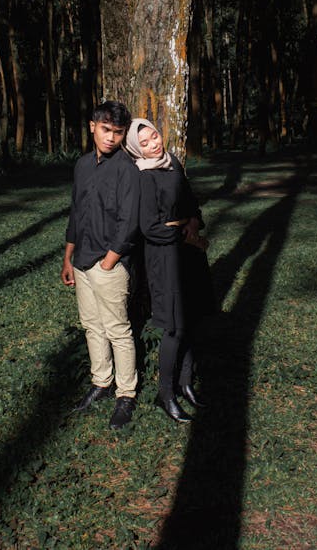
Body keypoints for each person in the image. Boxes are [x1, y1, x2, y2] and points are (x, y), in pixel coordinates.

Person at [61, 101, 140, 430]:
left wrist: (110, 260)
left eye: (117, 132)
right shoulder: (81, 166)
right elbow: (76, 213)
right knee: (92, 326)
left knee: (117, 330)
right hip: (81, 259)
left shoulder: (126, 169)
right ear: (92, 126)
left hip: (109, 263)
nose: (110, 137)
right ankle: (101, 383)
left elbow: (129, 221)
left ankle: (126, 394)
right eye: (105, 129)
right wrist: (68, 257)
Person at [126, 118, 207, 423]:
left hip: (187, 251)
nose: (153, 144)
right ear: (136, 148)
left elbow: (189, 201)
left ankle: (186, 384)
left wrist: (194, 221)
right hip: (164, 257)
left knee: (190, 318)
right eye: (144, 143)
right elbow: (149, 227)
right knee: (174, 325)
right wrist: (182, 232)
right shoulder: (144, 177)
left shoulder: (171, 162)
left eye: (154, 136)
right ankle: (165, 393)